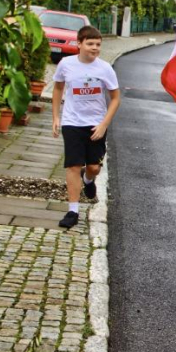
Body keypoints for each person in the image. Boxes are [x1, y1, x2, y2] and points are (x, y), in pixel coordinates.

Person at [52, 26, 120, 229]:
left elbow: (116, 98)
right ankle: (73, 211)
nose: (95, 48)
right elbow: (57, 87)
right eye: (90, 44)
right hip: (72, 122)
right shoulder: (66, 64)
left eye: (98, 44)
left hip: (95, 124)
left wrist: (104, 124)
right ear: (79, 44)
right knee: (73, 165)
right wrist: (56, 117)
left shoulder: (105, 68)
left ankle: (88, 181)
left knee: (93, 167)